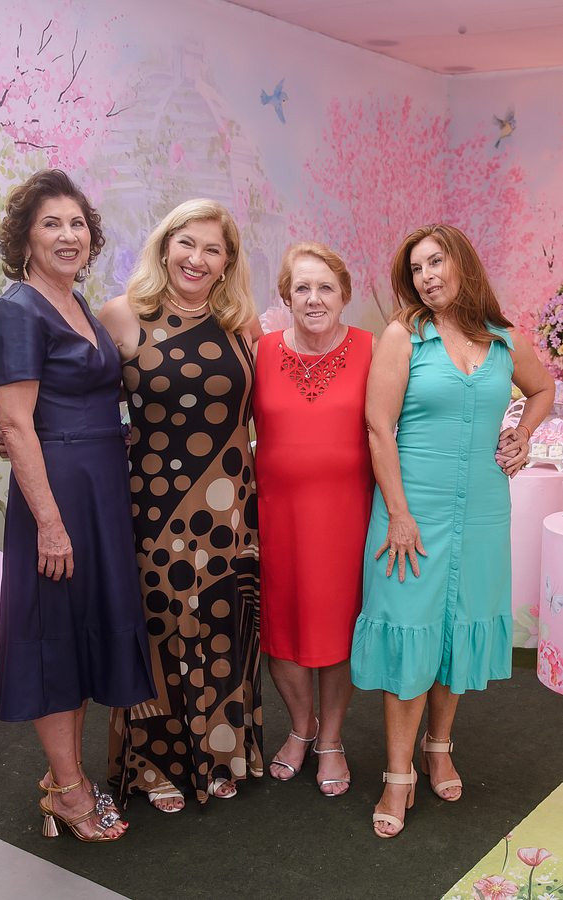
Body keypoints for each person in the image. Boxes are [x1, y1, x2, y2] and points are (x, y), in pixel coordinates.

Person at [350, 224, 554, 838]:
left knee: (456, 631)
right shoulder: (403, 336)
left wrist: (521, 434)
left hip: (483, 511)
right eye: (416, 269)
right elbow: (378, 427)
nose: (427, 277)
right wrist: (399, 512)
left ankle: (438, 748)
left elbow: (543, 387)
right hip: (411, 512)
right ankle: (397, 774)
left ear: (463, 263)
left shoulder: (503, 338)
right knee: (411, 633)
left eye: (436, 262)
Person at [0, 170, 155, 842]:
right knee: (55, 639)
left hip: (99, 489)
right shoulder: (17, 313)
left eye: (77, 223)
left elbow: (80, 401)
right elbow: (16, 424)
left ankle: (65, 778)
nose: (68, 235)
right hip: (57, 502)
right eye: (51, 223)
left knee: (79, 635)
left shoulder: (77, 303)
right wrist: (49, 524)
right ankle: (70, 793)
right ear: (25, 238)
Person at [100, 199, 263, 811]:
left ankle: (221, 754)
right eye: (187, 243)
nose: (197, 258)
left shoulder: (241, 325)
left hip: (230, 509)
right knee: (162, 627)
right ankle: (153, 765)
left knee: (222, 625)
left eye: (212, 249)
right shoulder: (122, 315)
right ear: (165, 245)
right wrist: (17, 428)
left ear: (227, 262)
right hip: (154, 506)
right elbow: (80, 398)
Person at [253, 242, 375, 796]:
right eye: (301, 287)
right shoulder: (259, 351)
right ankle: (301, 729)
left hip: (347, 518)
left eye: (326, 287)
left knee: (337, 629)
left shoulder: (372, 349)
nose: (314, 298)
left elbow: (412, 417)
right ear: (286, 297)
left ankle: (331, 739)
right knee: (282, 629)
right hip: (275, 517)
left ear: (344, 294)